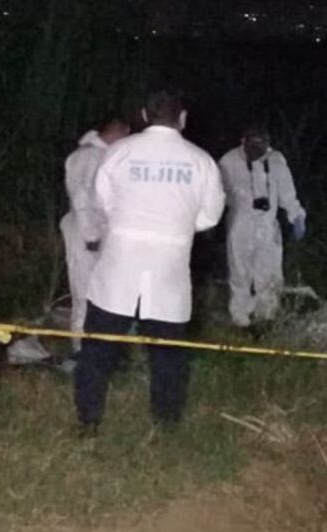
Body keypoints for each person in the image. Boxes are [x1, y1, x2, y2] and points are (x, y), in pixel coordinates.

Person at [74, 90, 225, 437]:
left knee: (98, 347)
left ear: (144, 115)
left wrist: (128, 223)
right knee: (168, 353)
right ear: (183, 118)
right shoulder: (201, 160)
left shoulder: (119, 152)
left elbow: (102, 202)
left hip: (119, 266)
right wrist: (175, 226)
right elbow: (210, 216)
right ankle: (165, 424)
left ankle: (88, 421)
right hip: (169, 268)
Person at [219, 125, 306, 328]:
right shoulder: (229, 161)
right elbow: (218, 193)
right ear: (243, 141)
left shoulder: (276, 160)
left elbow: (287, 193)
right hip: (240, 225)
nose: (257, 150)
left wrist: (296, 215)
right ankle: (240, 319)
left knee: (269, 274)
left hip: (267, 225)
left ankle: (266, 318)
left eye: (261, 145)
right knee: (240, 273)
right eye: (253, 144)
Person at [60, 115, 131, 356]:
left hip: (100, 234)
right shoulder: (87, 156)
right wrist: (90, 235)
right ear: (118, 130)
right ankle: (81, 348)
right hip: (85, 235)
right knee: (84, 292)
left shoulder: (103, 156)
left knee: (102, 293)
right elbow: (81, 197)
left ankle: (101, 347)